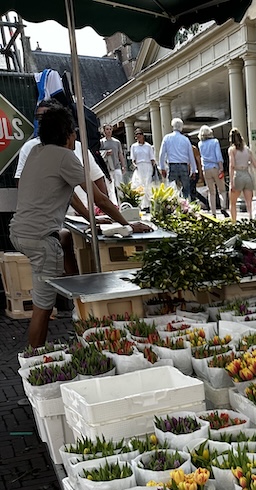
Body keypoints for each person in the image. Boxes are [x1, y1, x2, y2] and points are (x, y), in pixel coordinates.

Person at [10, 104, 151, 348]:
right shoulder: (65, 156)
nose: (76, 135)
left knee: (46, 296)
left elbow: (68, 192)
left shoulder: (36, 152)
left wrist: (91, 219)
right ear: (67, 133)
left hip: (19, 232)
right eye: (74, 131)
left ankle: (50, 346)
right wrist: (128, 225)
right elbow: (100, 197)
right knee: (43, 308)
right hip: (41, 240)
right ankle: (35, 360)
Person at [158, 117, 196, 199]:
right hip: (184, 166)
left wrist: (162, 168)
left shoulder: (167, 138)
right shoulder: (185, 139)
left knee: (171, 189)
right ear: (181, 127)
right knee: (186, 189)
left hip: (172, 165)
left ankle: (173, 207)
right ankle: (186, 206)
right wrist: (193, 170)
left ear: (172, 126)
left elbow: (162, 154)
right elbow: (191, 155)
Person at [228, 128, 256, 221]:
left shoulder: (232, 150)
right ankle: (251, 220)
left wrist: (231, 181)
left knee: (233, 202)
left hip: (238, 175)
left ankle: (233, 222)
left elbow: (232, 165)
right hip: (247, 175)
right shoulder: (247, 149)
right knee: (249, 203)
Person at [198, 126, 225, 215]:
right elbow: (218, 155)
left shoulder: (200, 144)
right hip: (215, 167)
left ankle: (213, 212)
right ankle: (223, 207)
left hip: (206, 169)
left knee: (211, 192)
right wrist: (221, 167)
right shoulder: (215, 142)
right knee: (221, 190)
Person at [130, 128, 156, 211]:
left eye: (140, 135)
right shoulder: (134, 146)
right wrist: (135, 166)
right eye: (137, 135)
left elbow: (152, 158)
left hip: (147, 165)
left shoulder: (148, 146)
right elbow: (133, 159)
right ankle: (141, 205)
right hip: (139, 166)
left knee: (147, 185)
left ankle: (148, 204)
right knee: (140, 185)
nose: (138, 137)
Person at [99, 123, 126, 194]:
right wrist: (105, 152)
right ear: (104, 131)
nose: (109, 131)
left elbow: (120, 154)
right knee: (110, 188)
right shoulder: (101, 142)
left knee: (120, 186)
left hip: (117, 166)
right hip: (107, 168)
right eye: (107, 129)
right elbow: (98, 153)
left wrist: (123, 166)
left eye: (110, 129)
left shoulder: (117, 142)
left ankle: (121, 202)